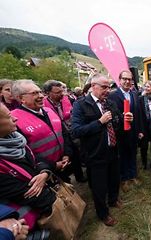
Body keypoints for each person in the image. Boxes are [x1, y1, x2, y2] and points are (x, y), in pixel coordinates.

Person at [72, 74, 128, 226]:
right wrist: (99, 122)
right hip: (95, 154)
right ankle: (103, 213)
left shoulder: (109, 103)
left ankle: (113, 200)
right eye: (104, 87)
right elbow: (76, 131)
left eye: (109, 87)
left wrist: (124, 119)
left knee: (114, 179)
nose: (108, 90)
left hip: (113, 149)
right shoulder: (81, 104)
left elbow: (117, 122)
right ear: (93, 86)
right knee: (99, 187)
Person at [0, 102, 56, 233]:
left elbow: (36, 159)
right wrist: (55, 201)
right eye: (8, 116)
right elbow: (27, 193)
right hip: (25, 222)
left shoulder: (16, 139)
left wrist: (45, 173)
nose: (15, 118)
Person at [11, 80, 71, 181]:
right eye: (34, 93)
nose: (41, 96)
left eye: (40, 92)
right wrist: (53, 165)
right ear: (21, 98)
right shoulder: (14, 119)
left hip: (64, 165)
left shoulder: (49, 110)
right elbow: (23, 153)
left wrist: (67, 154)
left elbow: (64, 134)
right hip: (42, 173)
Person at [42, 80, 86, 183]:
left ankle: (79, 176)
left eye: (62, 91)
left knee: (76, 154)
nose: (62, 94)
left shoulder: (67, 99)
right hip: (59, 135)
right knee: (65, 156)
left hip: (72, 132)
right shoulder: (43, 105)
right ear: (48, 93)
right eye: (57, 93)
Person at [109, 70, 141, 192]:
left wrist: (139, 130)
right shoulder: (112, 95)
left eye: (130, 79)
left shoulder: (134, 94)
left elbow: (138, 114)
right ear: (120, 80)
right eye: (125, 79)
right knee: (122, 155)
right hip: (120, 132)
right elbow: (111, 115)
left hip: (133, 131)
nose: (127, 81)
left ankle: (133, 175)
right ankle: (124, 179)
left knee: (133, 153)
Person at [138, 81, 151, 170]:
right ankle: (144, 163)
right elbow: (139, 114)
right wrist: (140, 130)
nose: (146, 88)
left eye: (148, 87)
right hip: (143, 126)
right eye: (145, 86)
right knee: (144, 146)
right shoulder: (140, 99)